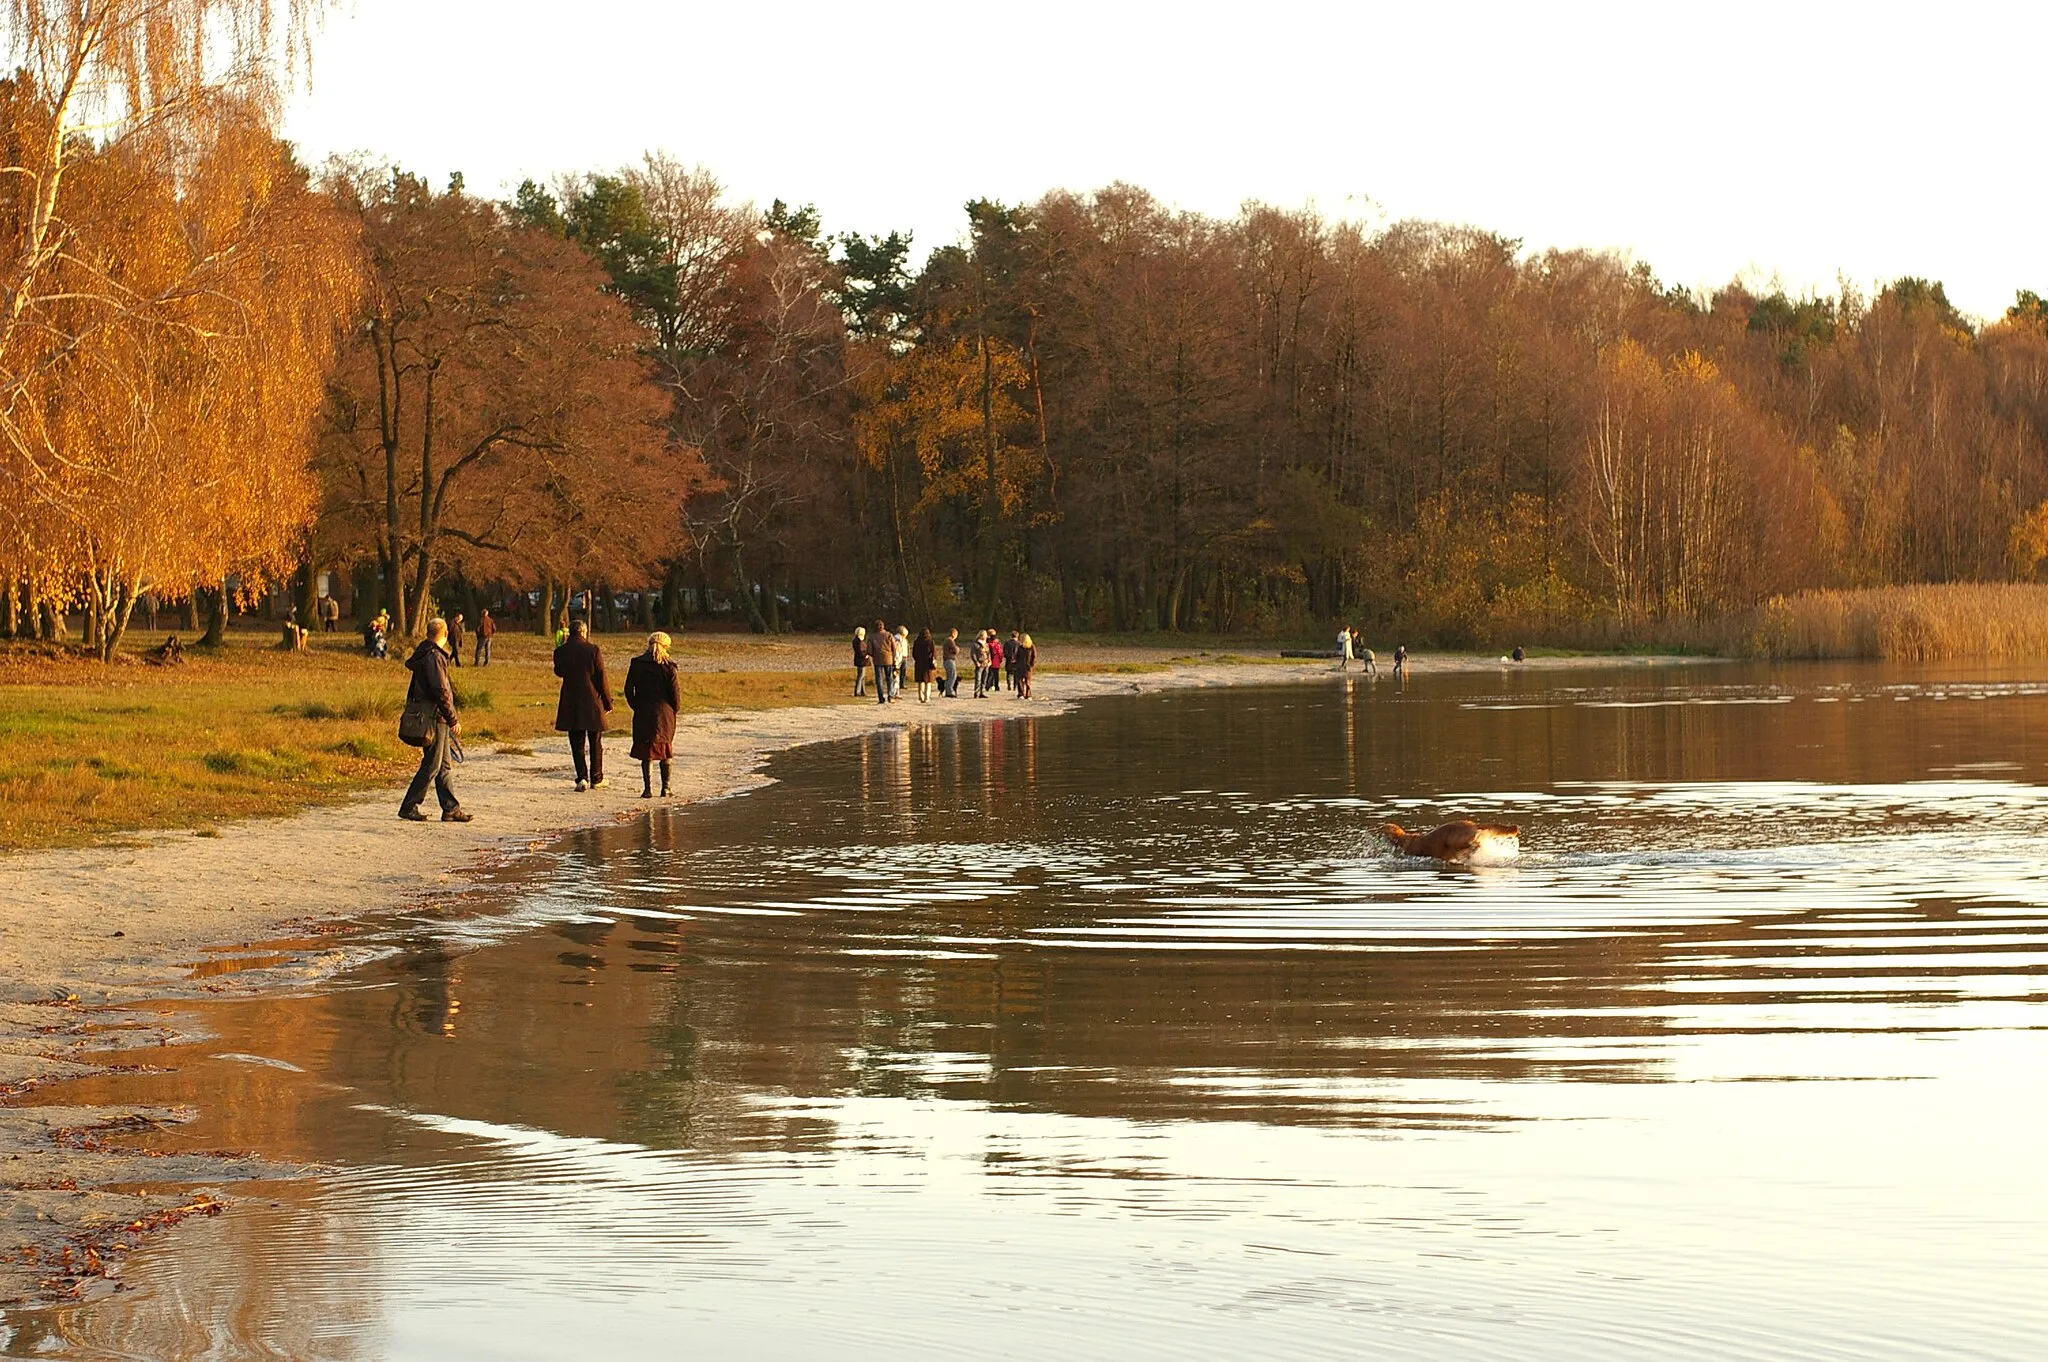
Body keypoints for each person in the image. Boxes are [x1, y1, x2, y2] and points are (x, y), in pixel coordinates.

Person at [399, 618, 469, 823]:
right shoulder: (434, 657)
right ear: (446, 634)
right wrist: (452, 718)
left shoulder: (425, 653)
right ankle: (409, 805)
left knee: (444, 764)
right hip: (434, 717)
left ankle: (451, 808)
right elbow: (440, 691)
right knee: (432, 765)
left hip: (434, 716)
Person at [554, 619, 613, 791]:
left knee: (576, 741)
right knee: (595, 741)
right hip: (592, 699)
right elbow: (601, 676)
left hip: (570, 699)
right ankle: (597, 778)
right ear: (584, 631)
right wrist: (607, 701)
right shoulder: (593, 650)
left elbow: (559, 672)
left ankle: (581, 778)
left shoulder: (560, 651)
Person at [624, 631, 681, 799]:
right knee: (665, 749)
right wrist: (674, 710)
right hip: (664, 712)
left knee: (647, 751)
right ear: (666, 646)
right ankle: (666, 788)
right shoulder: (669, 666)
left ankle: (647, 789)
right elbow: (675, 693)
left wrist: (636, 705)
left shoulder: (636, 663)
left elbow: (628, 689)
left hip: (643, 710)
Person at [871, 620, 896, 704]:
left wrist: (874, 654)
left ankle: (881, 697)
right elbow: (894, 647)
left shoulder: (872, 637)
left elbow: (869, 650)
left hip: (877, 660)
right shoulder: (889, 635)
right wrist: (892, 656)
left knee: (879, 679)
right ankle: (890, 695)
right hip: (888, 659)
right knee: (889, 678)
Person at [912, 627, 937, 704]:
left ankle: (921, 696)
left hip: (919, 663)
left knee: (920, 681)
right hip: (928, 663)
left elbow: (914, 654)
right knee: (928, 681)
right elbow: (934, 653)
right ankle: (927, 697)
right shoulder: (930, 642)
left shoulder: (916, 642)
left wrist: (917, 659)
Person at [1015, 632, 1038, 699]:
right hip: (1020, 666)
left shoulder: (1032, 647)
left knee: (1028, 681)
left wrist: (1031, 665)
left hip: (1028, 666)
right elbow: (1017, 656)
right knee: (1020, 680)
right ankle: (1021, 694)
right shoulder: (1020, 647)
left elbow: (1034, 656)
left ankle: (1028, 695)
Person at [970, 630, 990, 698]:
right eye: (985, 635)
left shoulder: (986, 644)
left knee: (984, 678)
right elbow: (973, 654)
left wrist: (989, 661)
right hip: (980, 662)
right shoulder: (975, 644)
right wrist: (976, 662)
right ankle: (976, 692)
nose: (986, 636)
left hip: (986, 663)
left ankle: (982, 692)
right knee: (978, 678)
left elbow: (988, 653)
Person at [941, 628, 960, 698]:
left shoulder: (946, 640)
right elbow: (955, 650)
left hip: (946, 660)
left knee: (949, 676)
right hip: (949, 660)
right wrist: (958, 649)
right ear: (954, 634)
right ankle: (949, 690)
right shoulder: (950, 641)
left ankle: (947, 690)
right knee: (953, 675)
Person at [851, 626, 869, 697]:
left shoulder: (857, 641)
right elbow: (860, 651)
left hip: (860, 660)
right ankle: (857, 691)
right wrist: (866, 655)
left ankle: (862, 691)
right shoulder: (859, 642)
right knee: (860, 676)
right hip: (861, 660)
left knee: (862, 676)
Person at [895, 625, 911, 693]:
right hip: (899, 656)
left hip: (904, 656)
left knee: (903, 671)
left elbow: (907, 647)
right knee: (897, 670)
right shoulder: (897, 638)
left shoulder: (904, 639)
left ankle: (902, 683)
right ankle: (898, 684)